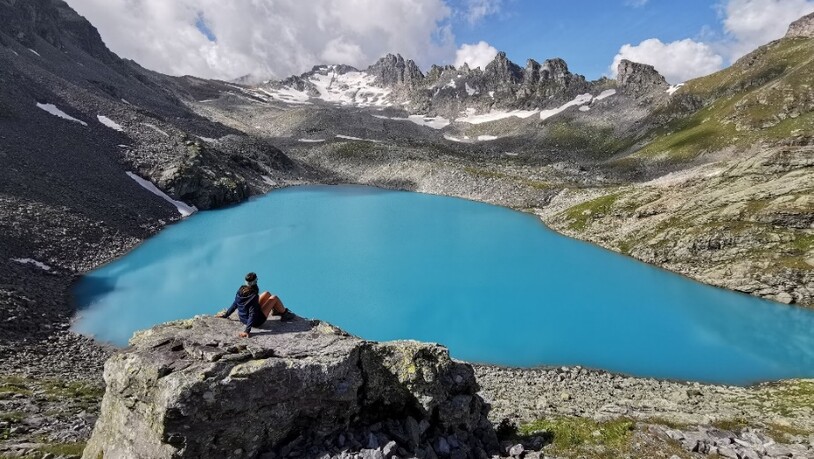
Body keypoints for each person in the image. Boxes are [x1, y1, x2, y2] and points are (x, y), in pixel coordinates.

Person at [217, 272, 294, 337]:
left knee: (266, 293)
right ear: (254, 282)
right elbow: (252, 313)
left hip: (243, 318)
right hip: (257, 321)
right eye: (256, 280)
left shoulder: (240, 290)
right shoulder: (253, 296)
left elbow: (235, 304)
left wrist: (226, 315)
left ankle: (275, 310)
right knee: (274, 297)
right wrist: (247, 331)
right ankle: (284, 314)